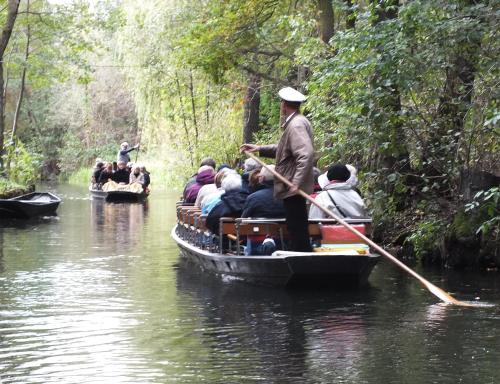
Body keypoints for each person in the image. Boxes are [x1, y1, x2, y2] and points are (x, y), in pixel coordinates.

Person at [240, 87, 314, 252]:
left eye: (281, 102)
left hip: (292, 185)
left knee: (297, 227)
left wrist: (296, 182)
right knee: (296, 225)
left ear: (284, 105)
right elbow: (283, 149)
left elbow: (306, 153)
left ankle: (302, 258)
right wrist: (258, 148)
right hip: (291, 184)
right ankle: (301, 255)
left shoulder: (295, 125)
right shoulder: (297, 122)